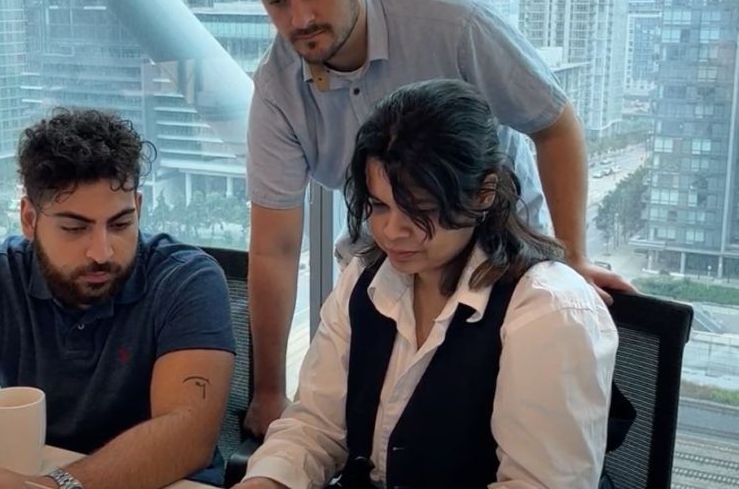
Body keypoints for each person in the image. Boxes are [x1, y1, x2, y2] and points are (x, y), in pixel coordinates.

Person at [238, 0, 634, 435]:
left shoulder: (453, 25)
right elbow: (275, 248)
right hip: (387, 276)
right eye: (276, 2)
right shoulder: (278, 87)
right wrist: (268, 392)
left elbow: (553, 125)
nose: (299, 19)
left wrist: (571, 257)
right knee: (366, 439)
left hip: (496, 270)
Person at [235, 79, 618, 489]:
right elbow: (314, 426)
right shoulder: (364, 279)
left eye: (419, 210)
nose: (391, 230)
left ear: (483, 194)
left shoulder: (548, 311)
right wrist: (268, 481)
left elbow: (536, 483)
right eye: (378, 205)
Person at [0, 109, 236, 489]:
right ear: (29, 219)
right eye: (73, 228)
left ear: (138, 207)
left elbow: (188, 432)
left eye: (119, 224)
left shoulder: (186, 279)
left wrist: (52, 487)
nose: (102, 251)